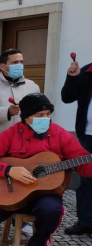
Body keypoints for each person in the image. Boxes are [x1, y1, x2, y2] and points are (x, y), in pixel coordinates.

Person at [0, 93, 92, 246]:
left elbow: (84, 166)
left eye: (48, 114)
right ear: (26, 118)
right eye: (40, 115)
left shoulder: (61, 135)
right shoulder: (12, 133)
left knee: (52, 209)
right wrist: (9, 170)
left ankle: (38, 242)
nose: (46, 119)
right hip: (12, 194)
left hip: (45, 195)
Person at [0, 48, 40, 236]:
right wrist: (6, 112)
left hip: (23, 150)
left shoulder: (33, 87)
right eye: (14, 62)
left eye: (21, 61)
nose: (19, 66)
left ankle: (20, 221)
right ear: (3, 66)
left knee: (21, 186)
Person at [61, 58, 92, 236]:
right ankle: (86, 222)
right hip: (87, 135)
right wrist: (71, 77)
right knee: (86, 182)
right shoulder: (86, 72)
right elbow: (67, 97)